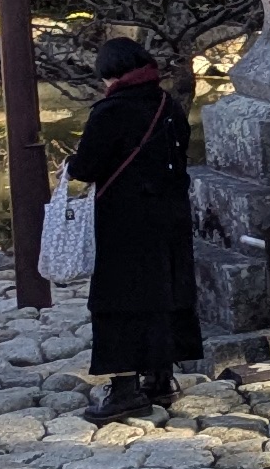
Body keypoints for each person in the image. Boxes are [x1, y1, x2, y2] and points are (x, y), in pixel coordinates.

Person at [68, 34, 202, 421]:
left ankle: (125, 389)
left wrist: (70, 166)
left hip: (124, 222)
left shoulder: (110, 111)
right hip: (170, 217)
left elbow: (86, 167)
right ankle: (160, 378)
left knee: (119, 301)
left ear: (111, 74)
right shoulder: (167, 104)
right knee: (165, 293)